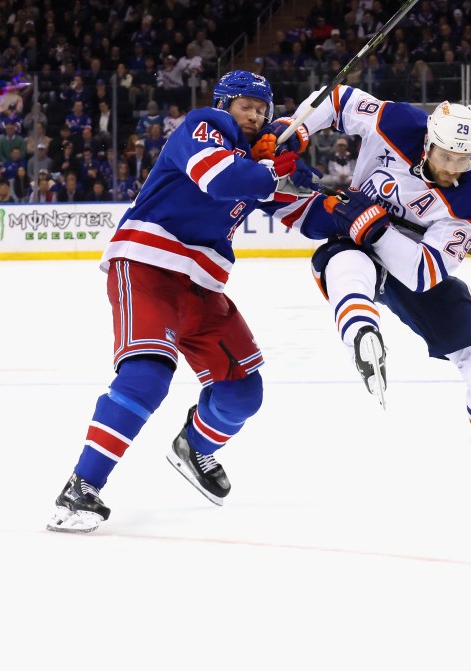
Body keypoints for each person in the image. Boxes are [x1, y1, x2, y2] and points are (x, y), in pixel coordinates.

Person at [46, 71, 316, 533]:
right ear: (225, 105)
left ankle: (195, 446)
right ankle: (81, 487)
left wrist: (360, 214)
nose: (254, 115)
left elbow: (310, 210)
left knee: (242, 393)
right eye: (246, 106)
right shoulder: (204, 125)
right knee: (147, 375)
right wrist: (272, 170)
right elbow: (221, 177)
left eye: (262, 110)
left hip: (202, 286)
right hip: (148, 264)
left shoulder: (256, 160)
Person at [266, 88, 471, 505]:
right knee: (347, 263)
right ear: (428, 141)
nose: (452, 168)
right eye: (445, 156)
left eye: (464, 160)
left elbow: (422, 273)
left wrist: (378, 229)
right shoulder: (399, 123)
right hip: (351, 240)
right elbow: (338, 99)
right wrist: (300, 129)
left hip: (410, 264)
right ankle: (362, 334)